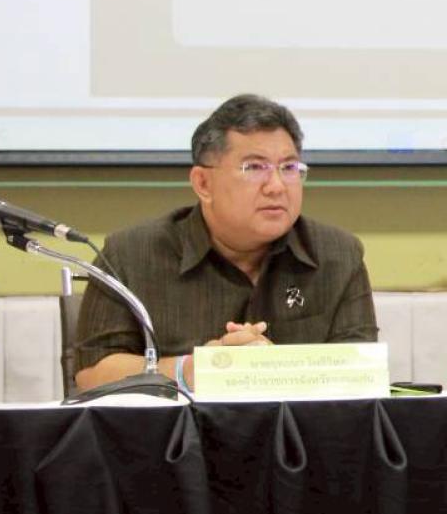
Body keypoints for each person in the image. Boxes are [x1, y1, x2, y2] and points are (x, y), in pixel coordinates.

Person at [74, 94, 378, 392]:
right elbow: (92, 373)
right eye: (254, 168)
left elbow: (363, 372)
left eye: (289, 168)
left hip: (296, 426)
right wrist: (191, 370)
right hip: (178, 425)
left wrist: (275, 368)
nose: (276, 186)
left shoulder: (338, 254)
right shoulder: (130, 254)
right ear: (203, 183)